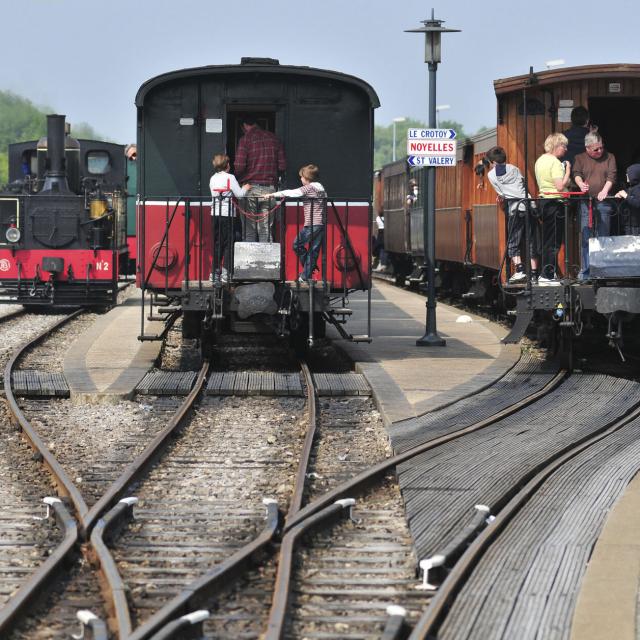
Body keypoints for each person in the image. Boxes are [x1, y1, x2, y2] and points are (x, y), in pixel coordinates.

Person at [485, 146, 539, 283]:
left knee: (514, 241)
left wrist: (503, 196)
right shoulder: (514, 169)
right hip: (528, 205)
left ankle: (520, 270)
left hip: (515, 209)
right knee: (532, 240)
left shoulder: (491, 175)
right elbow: (522, 184)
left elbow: (502, 194)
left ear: (493, 162)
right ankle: (534, 274)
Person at [270, 164, 326, 282]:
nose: (300, 179)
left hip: (312, 224)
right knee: (313, 251)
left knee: (297, 244)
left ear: (307, 178)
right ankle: (306, 273)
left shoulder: (309, 188)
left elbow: (293, 193)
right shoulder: (321, 189)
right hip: (320, 224)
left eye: (301, 177)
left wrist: (272, 194)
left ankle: (308, 270)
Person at [572, 132, 617, 280]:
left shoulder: (610, 157)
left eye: (601, 148)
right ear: (587, 148)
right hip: (586, 203)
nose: (600, 151)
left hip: (603, 203)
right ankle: (586, 272)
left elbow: (612, 175)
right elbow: (576, 173)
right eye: (596, 149)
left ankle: (603, 272)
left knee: (603, 236)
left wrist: (604, 190)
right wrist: (580, 184)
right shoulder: (579, 158)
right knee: (586, 238)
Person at [234, 116, 286, 242]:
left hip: (250, 189)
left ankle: (248, 261)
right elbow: (282, 165)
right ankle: (266, 261)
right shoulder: (274, 139)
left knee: (249, 229)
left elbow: (239, 166)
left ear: (245, 125)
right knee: (265, 230)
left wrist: (236, 178)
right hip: (269, 190)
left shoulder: (245, 139)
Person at [534, 133, 572, 284]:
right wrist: (567, 169)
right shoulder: (556, 163)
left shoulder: (540, 160)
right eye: (564, 146)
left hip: (544, 202)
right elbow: (560, 186)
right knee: (554, 242)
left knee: (547, 240)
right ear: (556, 145)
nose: (566, 149)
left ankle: (548, 272)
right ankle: (547, 275)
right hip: (555, 204)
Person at [209, 153, 250, 283]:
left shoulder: (213, 178)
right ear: (227, 165)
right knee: (228, 244)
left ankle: (214, 273)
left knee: (218, 243)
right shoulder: (230, 177)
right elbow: (240, 195)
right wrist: (245, 187)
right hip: (228, 215)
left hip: (215, 213)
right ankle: (226, 274)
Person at [615, 164, 640, 235]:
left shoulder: (638, 188)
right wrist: (621, 194)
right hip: (629, 222)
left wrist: (626, 196)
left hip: (636, 224)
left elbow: (638, 203)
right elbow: (630, 194)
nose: (626, 175)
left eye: (629, 173)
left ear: (635, 175)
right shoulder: (632, 187)